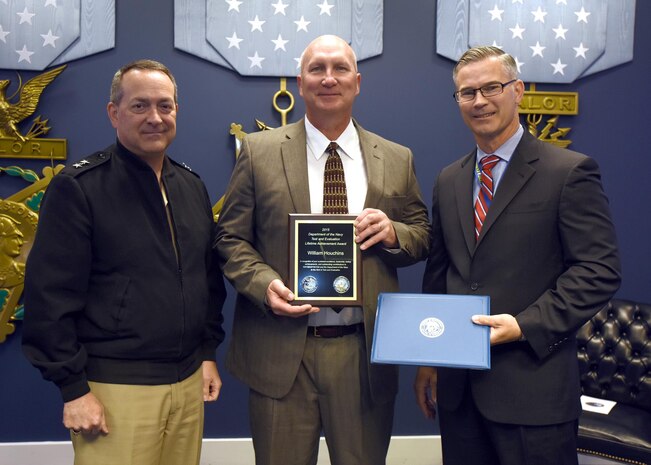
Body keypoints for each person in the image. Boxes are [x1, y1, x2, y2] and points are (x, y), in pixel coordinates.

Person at [216, 35, 430, 465]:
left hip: (361, 355)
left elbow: (422, 233)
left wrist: (393, 233)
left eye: (340, 68)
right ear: (300, 81)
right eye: (317, 69)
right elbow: (229, 238)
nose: (328, 78)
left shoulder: (396, 157)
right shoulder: (258, 153)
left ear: (357, 81)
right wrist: (263, 284)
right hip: (280, 354)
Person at [414, 46, 621, 465]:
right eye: (467, 93)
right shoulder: (449, 179)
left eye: (492, 87)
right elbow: (441, 274)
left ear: (519, 91)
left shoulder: (568, 172)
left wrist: (524, 326)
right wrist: (429, 358)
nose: (479, 101)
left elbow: (599, 270)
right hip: (460, 393)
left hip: (533, 391)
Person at [22, 59, 226, 465]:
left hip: (187, 385)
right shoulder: (79, 188)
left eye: (165, 106)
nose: (155, 117)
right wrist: (73, 389)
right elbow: (48, 298)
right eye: (140, 106)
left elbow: (207, 279)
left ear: (176, 112)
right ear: (114, 113)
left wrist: (206, 353)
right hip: (113, 389)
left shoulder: (191, 185)